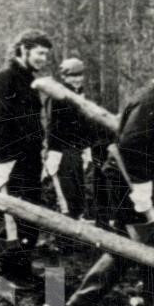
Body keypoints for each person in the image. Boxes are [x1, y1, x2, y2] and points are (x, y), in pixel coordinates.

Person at [62, 55, 154, 306]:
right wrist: (142, 189)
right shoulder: (152, 101)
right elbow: (132, 145)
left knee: (127, 249)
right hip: (131, 186)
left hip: (133, 184)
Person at [0, 29, 53, 287]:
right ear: (23, 50)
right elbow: (0, 122)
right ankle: (9, 272)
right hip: (13, 159)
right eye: (39, 53)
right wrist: (7, 159)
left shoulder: (29, 81)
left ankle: (23, 267)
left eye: (46, 55)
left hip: (30, 158)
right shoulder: (4, 79)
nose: (43, 59)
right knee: (11, 214)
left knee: (29, 213)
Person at [43, 55, 102, 219]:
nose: (77, 80)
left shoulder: (81, 96)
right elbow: (52, 126)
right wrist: (54, 151)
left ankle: (80, 227)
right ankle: (67, 238)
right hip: (64, 150)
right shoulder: (58, 96)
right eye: (72, 76)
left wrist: (87, 146)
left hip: (80, 149)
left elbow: (86, 126)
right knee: (67, 194)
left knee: (81, 192)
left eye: (79, 75)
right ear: (64, 77)